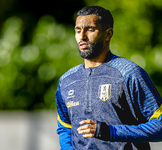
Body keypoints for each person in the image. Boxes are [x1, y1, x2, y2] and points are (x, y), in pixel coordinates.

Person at [55, 6, 162, 150]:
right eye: (78, 30)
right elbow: (66, 128)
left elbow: (160, 125)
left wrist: (110, 132)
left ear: (108, 34)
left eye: (90, 29)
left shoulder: (129, 73)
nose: (82, 37)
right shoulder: (66, 81)